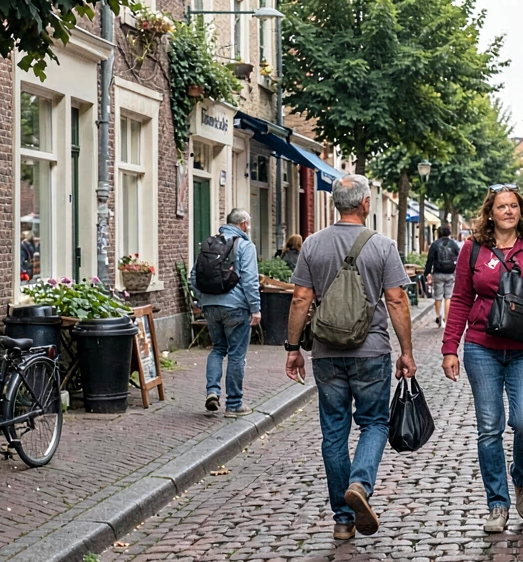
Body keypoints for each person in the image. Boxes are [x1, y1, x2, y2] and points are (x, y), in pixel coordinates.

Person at [284, 175, 415, 541]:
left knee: (334, 432)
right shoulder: (383, 246)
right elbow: (396, 301)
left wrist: (293, 348)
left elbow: (300, 299)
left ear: (334, 204)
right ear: (364, 204)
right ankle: (360, 483)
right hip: (371, 350)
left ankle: (343, 520)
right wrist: (406, 352)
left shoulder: (313, 245)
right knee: (374, 423)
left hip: (326, 352)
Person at [443, 184, 523, 533]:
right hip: (481, 347)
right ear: (490, 212)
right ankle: (497, 504)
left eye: (514, 206)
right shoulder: (473, 249)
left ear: (520, 210)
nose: (508, 211)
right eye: (502, 206)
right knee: (489, 428)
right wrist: (449, 347)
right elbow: (460, 298)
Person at [191, 209, 261, 418]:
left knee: (217, 349)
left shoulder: (209, 245)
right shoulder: (245, 246)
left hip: (210, 306)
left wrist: (203, 299)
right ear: (242, 224)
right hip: (237, 308)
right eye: (248, 224)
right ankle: (234, 404)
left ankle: (212, 391)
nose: (249, 227)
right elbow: (249, 281)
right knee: (236, 355)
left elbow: (194, 277)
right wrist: (255, 308)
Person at [426, 225, 460, 327]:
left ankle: (438, 315)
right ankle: (447, 318)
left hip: (438, 273)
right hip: (450, 273)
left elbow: (430, 260)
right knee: (448, 297)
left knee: (437, 296)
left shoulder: (435, 244)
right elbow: (459, 257)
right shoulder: (453, 244)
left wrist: (427, 273)